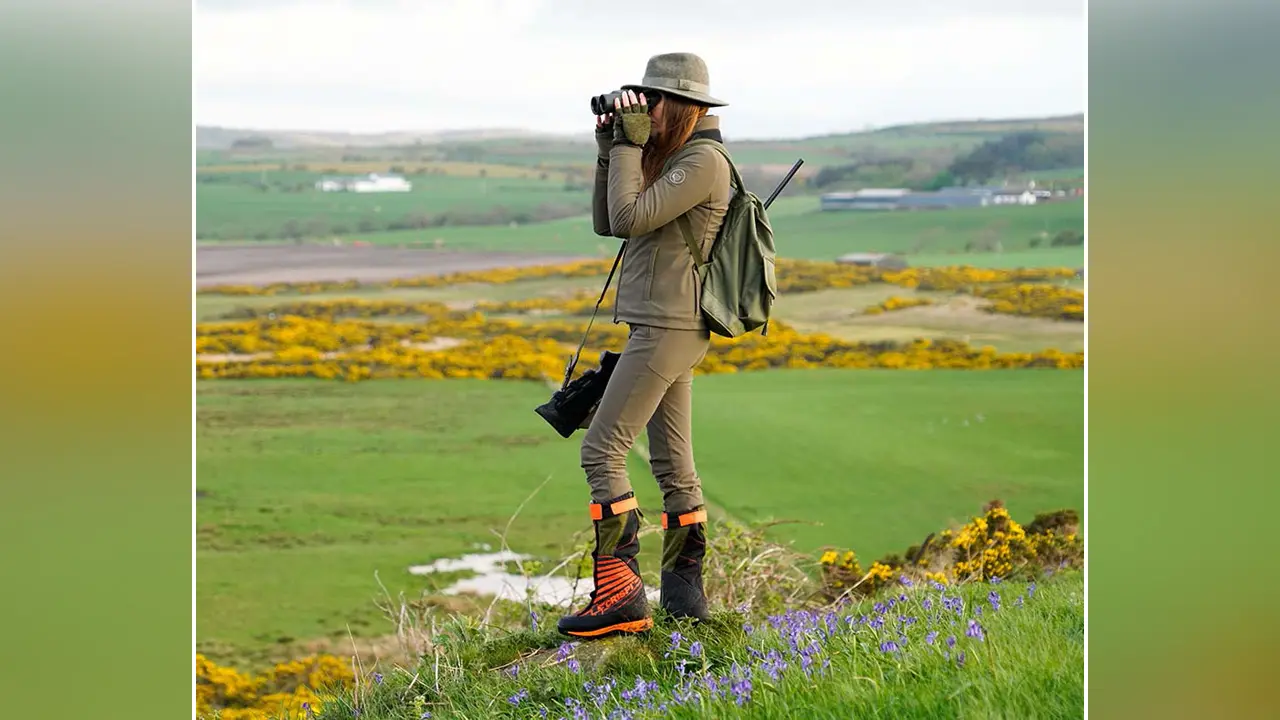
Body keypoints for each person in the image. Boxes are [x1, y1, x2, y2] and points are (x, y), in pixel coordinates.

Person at [557, 52, 731, 638]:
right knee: (672, 465)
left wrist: (631, 146)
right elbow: (608, 222)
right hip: (662, 325)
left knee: (601, 451)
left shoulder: (703, 161)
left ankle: (620, 596)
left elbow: (630, 218)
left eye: (653, 100)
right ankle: (685, 600)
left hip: (667, 326)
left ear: (682, 105)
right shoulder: (676, 158)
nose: (646, 110)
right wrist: (610, 148)